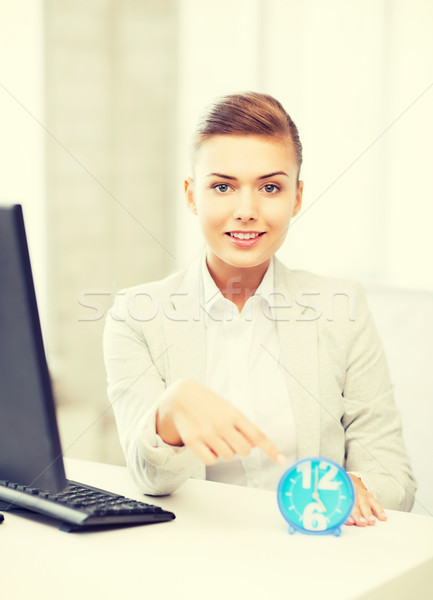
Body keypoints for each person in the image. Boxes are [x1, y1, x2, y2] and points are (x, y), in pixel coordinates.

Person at [103, 92, 416, 527]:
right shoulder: (135, 317)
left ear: (296, 197)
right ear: (192, 196)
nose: (246, 211)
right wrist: (168, 415)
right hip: (192, 560)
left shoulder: (341, 308)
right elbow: (148, 478)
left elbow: (394, 478)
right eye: (222, 187)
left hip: (318, 560)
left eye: (270, 187)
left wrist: (356, 487)